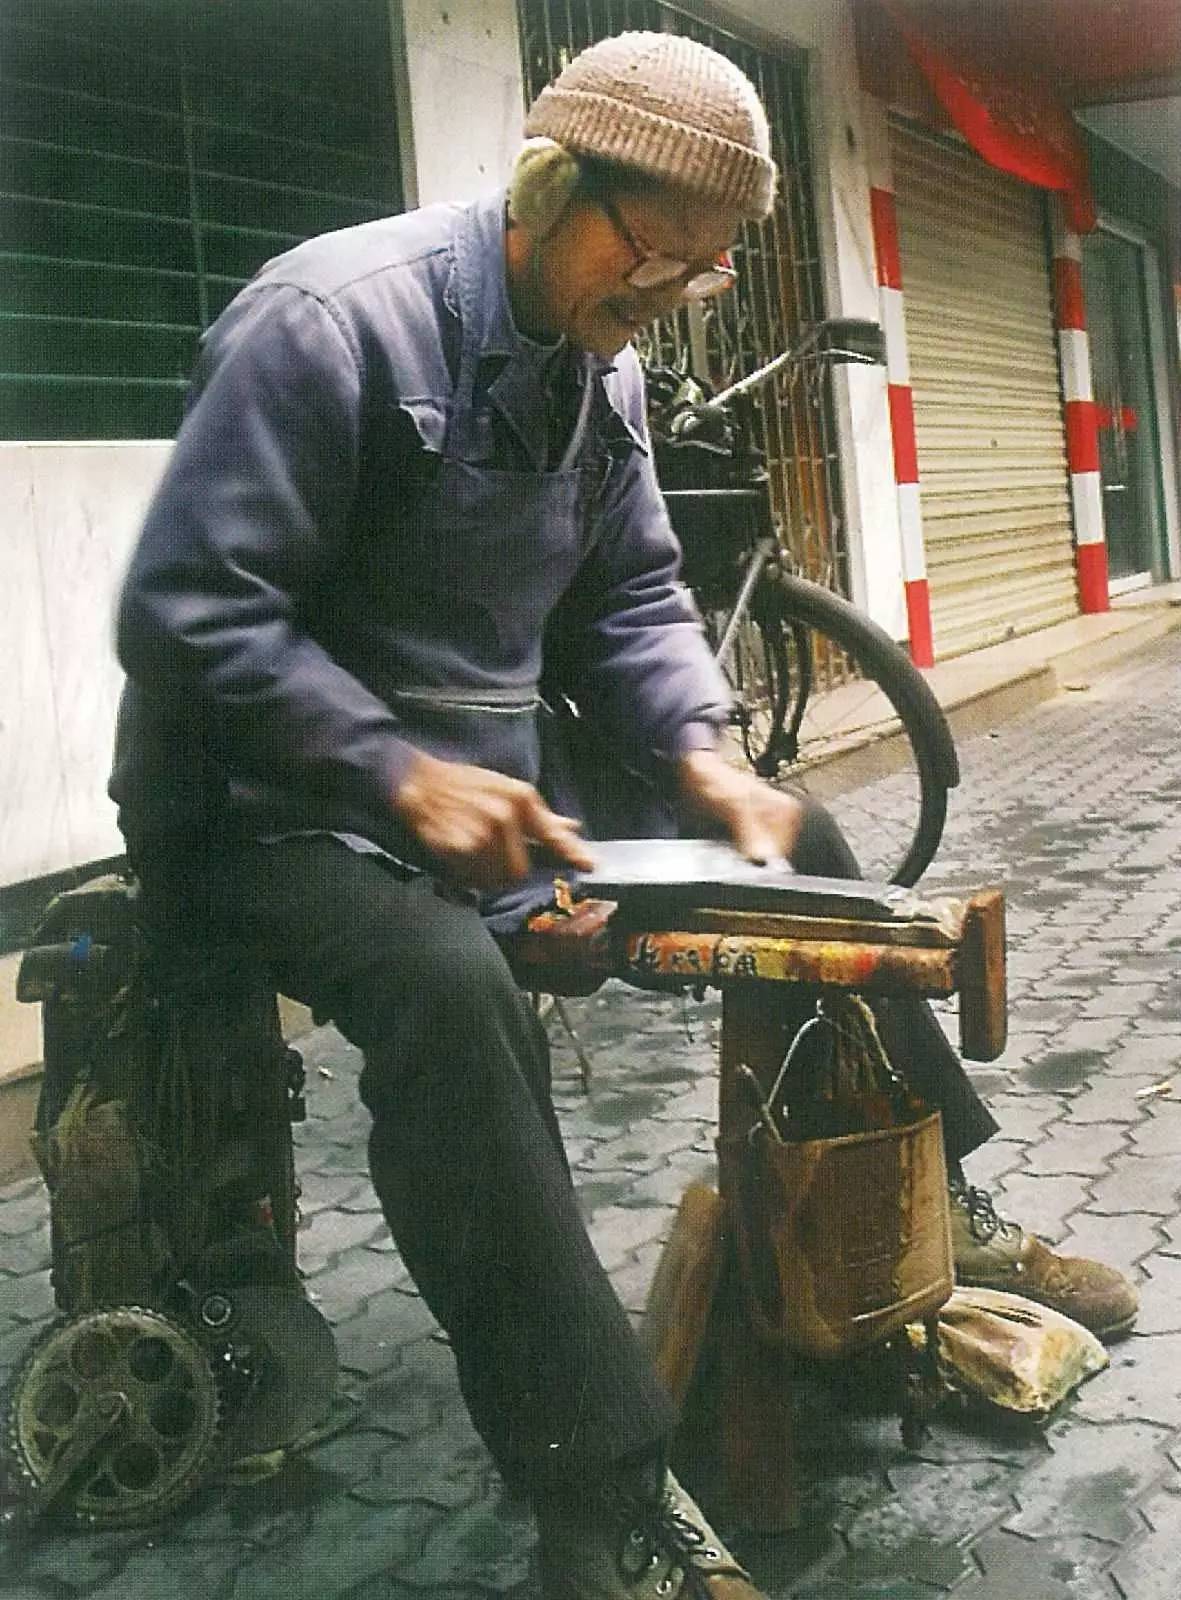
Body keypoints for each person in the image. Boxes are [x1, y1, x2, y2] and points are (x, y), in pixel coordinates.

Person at [109, 32, 1136, 1600]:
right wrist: (399, 777)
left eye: (695, 284)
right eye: (648, 264)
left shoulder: (603, 366)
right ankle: (602, 1486)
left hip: (486, 770)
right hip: (259, 805)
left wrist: (707, 755)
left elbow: (636, 604)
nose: (658, 306)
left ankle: (928, 1211)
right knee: (451, 995)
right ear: (546, 186)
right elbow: (192, 616)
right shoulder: (332, 324)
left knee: (792, 836)